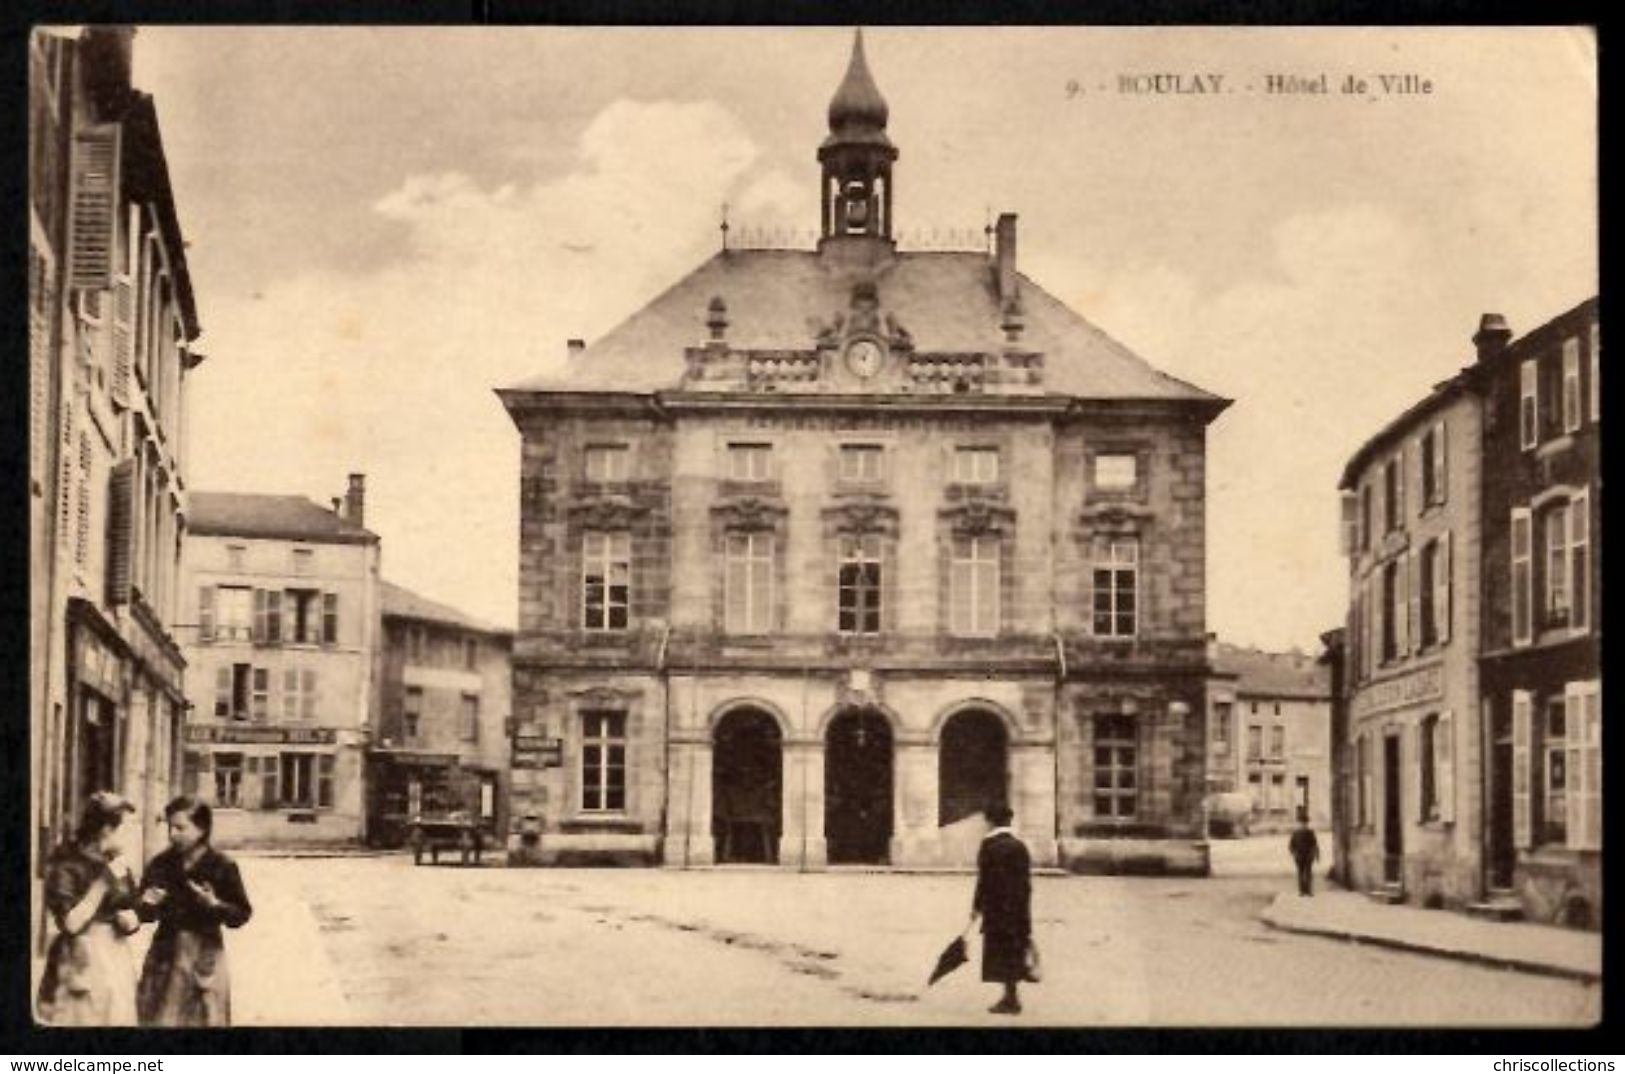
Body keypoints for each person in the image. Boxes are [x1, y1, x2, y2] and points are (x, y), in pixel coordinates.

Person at [136, 796, 252, 1026]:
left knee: (206, 1017)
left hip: (205, 954)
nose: (172, 834)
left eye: (180, 828)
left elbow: (241, 913)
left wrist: (216, 905)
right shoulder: (161, 863)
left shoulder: (222, 865)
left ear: (202, 829)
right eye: (170, 827)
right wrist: (147, 903)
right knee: (160, 1017)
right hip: (166, 952)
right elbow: (143, 914)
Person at [37, 792, 143, 1025]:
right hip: (81, 956)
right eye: (129, 826)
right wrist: (103, 882)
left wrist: (131, 920)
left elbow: (133, 906)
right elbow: (71, 923)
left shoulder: (118, 860)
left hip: (116, 956)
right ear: (106, 828)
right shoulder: (67, 861)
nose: (135, 833)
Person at [969, 802, 1033, 1015]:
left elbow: (984, 881)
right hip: (1017, 909)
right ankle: (1011, 996)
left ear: (990, 821)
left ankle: (1010, 999)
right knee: (1014, 949)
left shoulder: (989, 846)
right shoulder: (1019, 846)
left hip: (996, 910)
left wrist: (976, 907)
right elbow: (1026, 884)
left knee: (1000, 951)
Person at [1289, 807, 1320, 897]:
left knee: (1308, 873)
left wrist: (1316, 855)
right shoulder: (1295, 833)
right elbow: (1291, 845)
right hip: (1299, 856)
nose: (1303, 825)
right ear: (1299, 823)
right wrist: (1294, 853)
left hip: (1308, 856)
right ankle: (1302, 891)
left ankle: (1309, 890)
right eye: (1302, 823)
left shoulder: (1310, 832)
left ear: (1307, 824)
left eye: (1305, 823)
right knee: (1300, 873)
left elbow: (1314, 844)